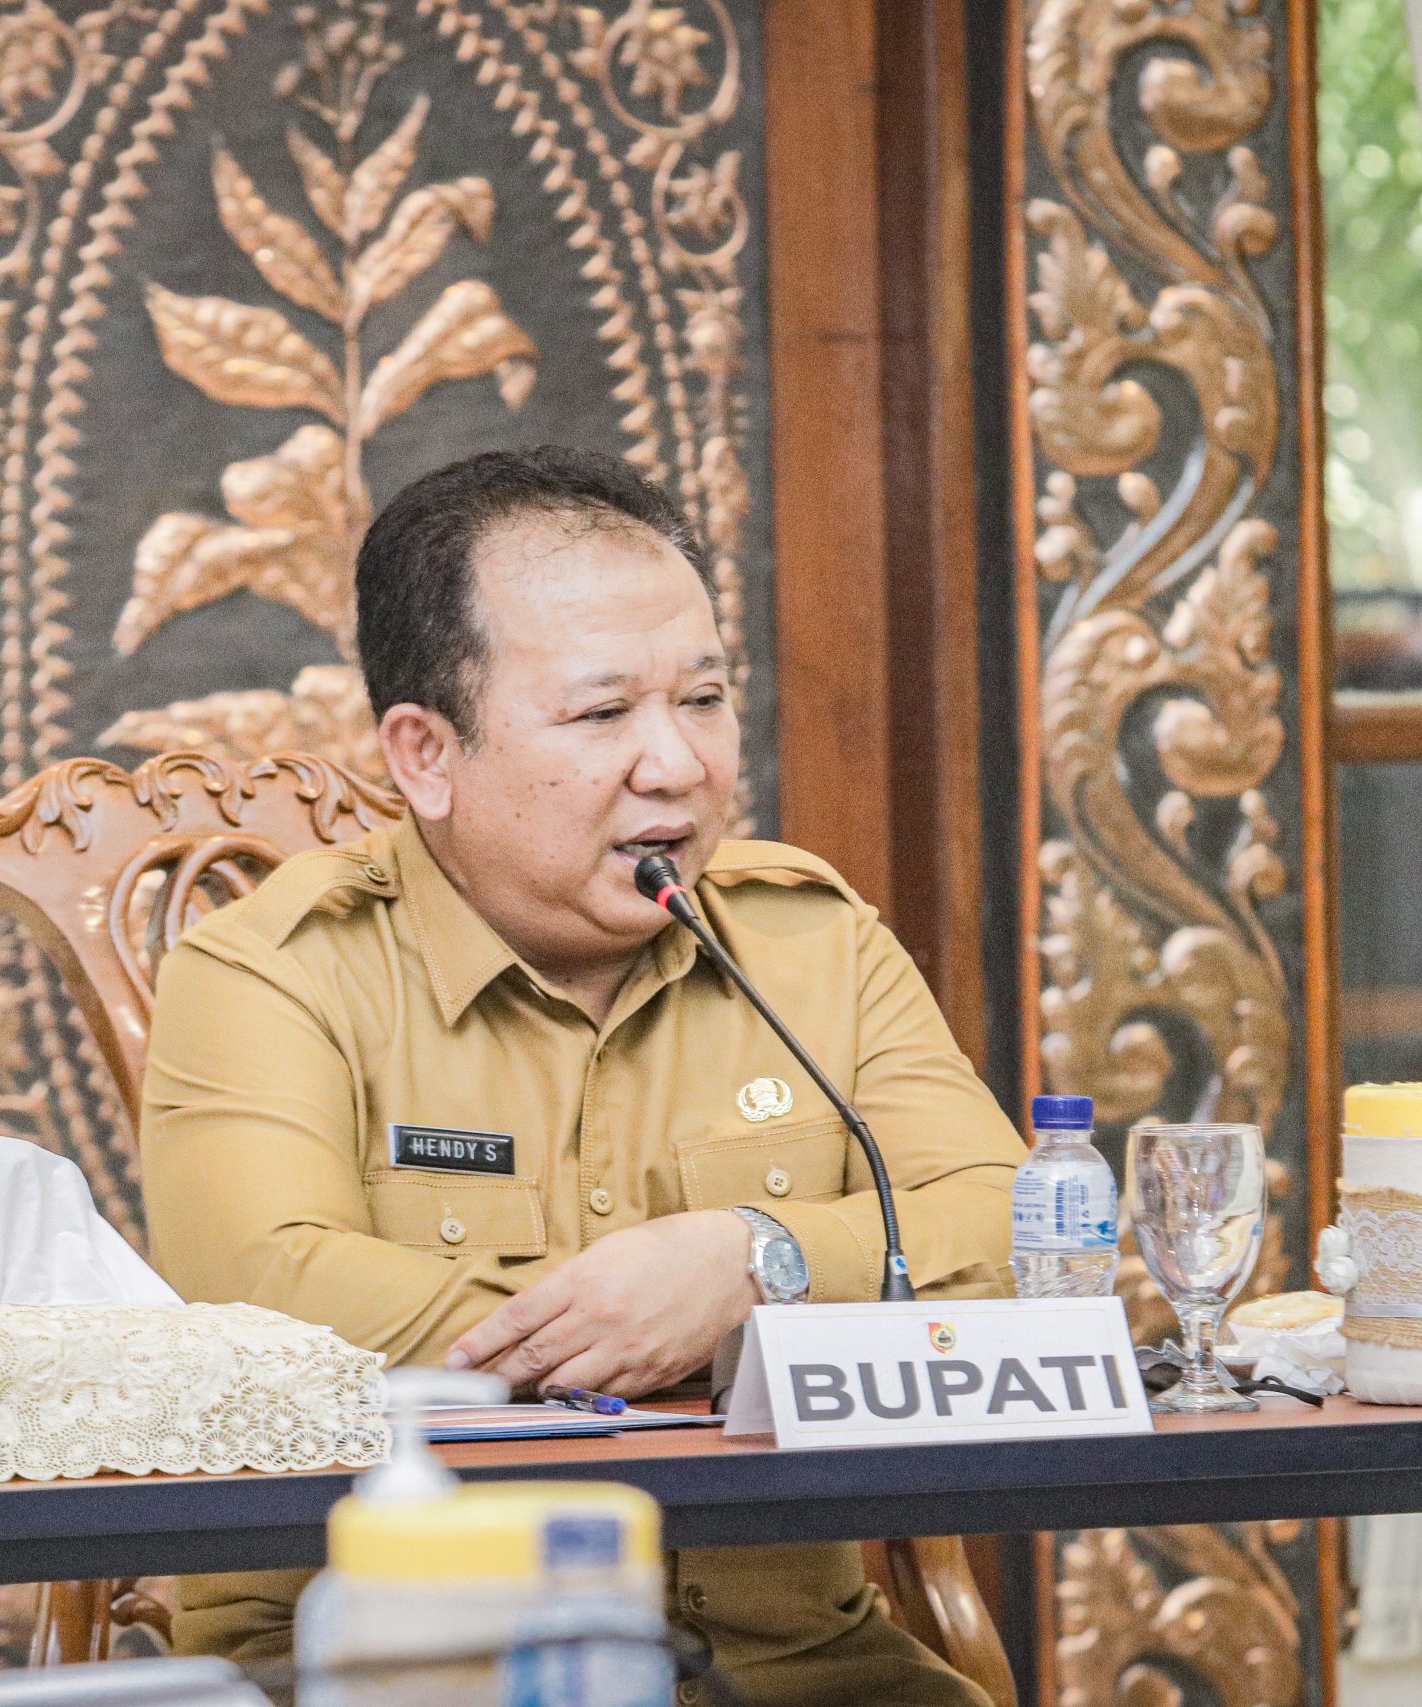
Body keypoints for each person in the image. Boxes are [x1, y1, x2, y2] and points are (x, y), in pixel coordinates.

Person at [139, 445, 1022, 1705]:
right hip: (393, 1665)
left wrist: (752, 1264)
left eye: (703, 699)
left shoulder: (811, 944)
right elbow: (269, 1294)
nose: (677, 764)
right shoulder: (273, 972)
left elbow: (1017, 1230)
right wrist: (660, 1330)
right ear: (426, 754)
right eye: (603, 715)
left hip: (795, 1672)